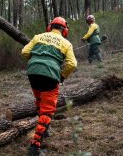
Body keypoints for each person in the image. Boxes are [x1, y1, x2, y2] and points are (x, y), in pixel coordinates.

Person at [21, 17, 77, 156]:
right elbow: (72, 64)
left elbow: (24, 52)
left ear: (50, 27)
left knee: (40, 102)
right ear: (65, 30)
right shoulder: (66, 43)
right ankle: (35, 147)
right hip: (51, 76)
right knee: (47, 110)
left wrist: (36, 62)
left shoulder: (38, 37)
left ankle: (44, 129)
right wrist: (62, 76)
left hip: (33, 73)